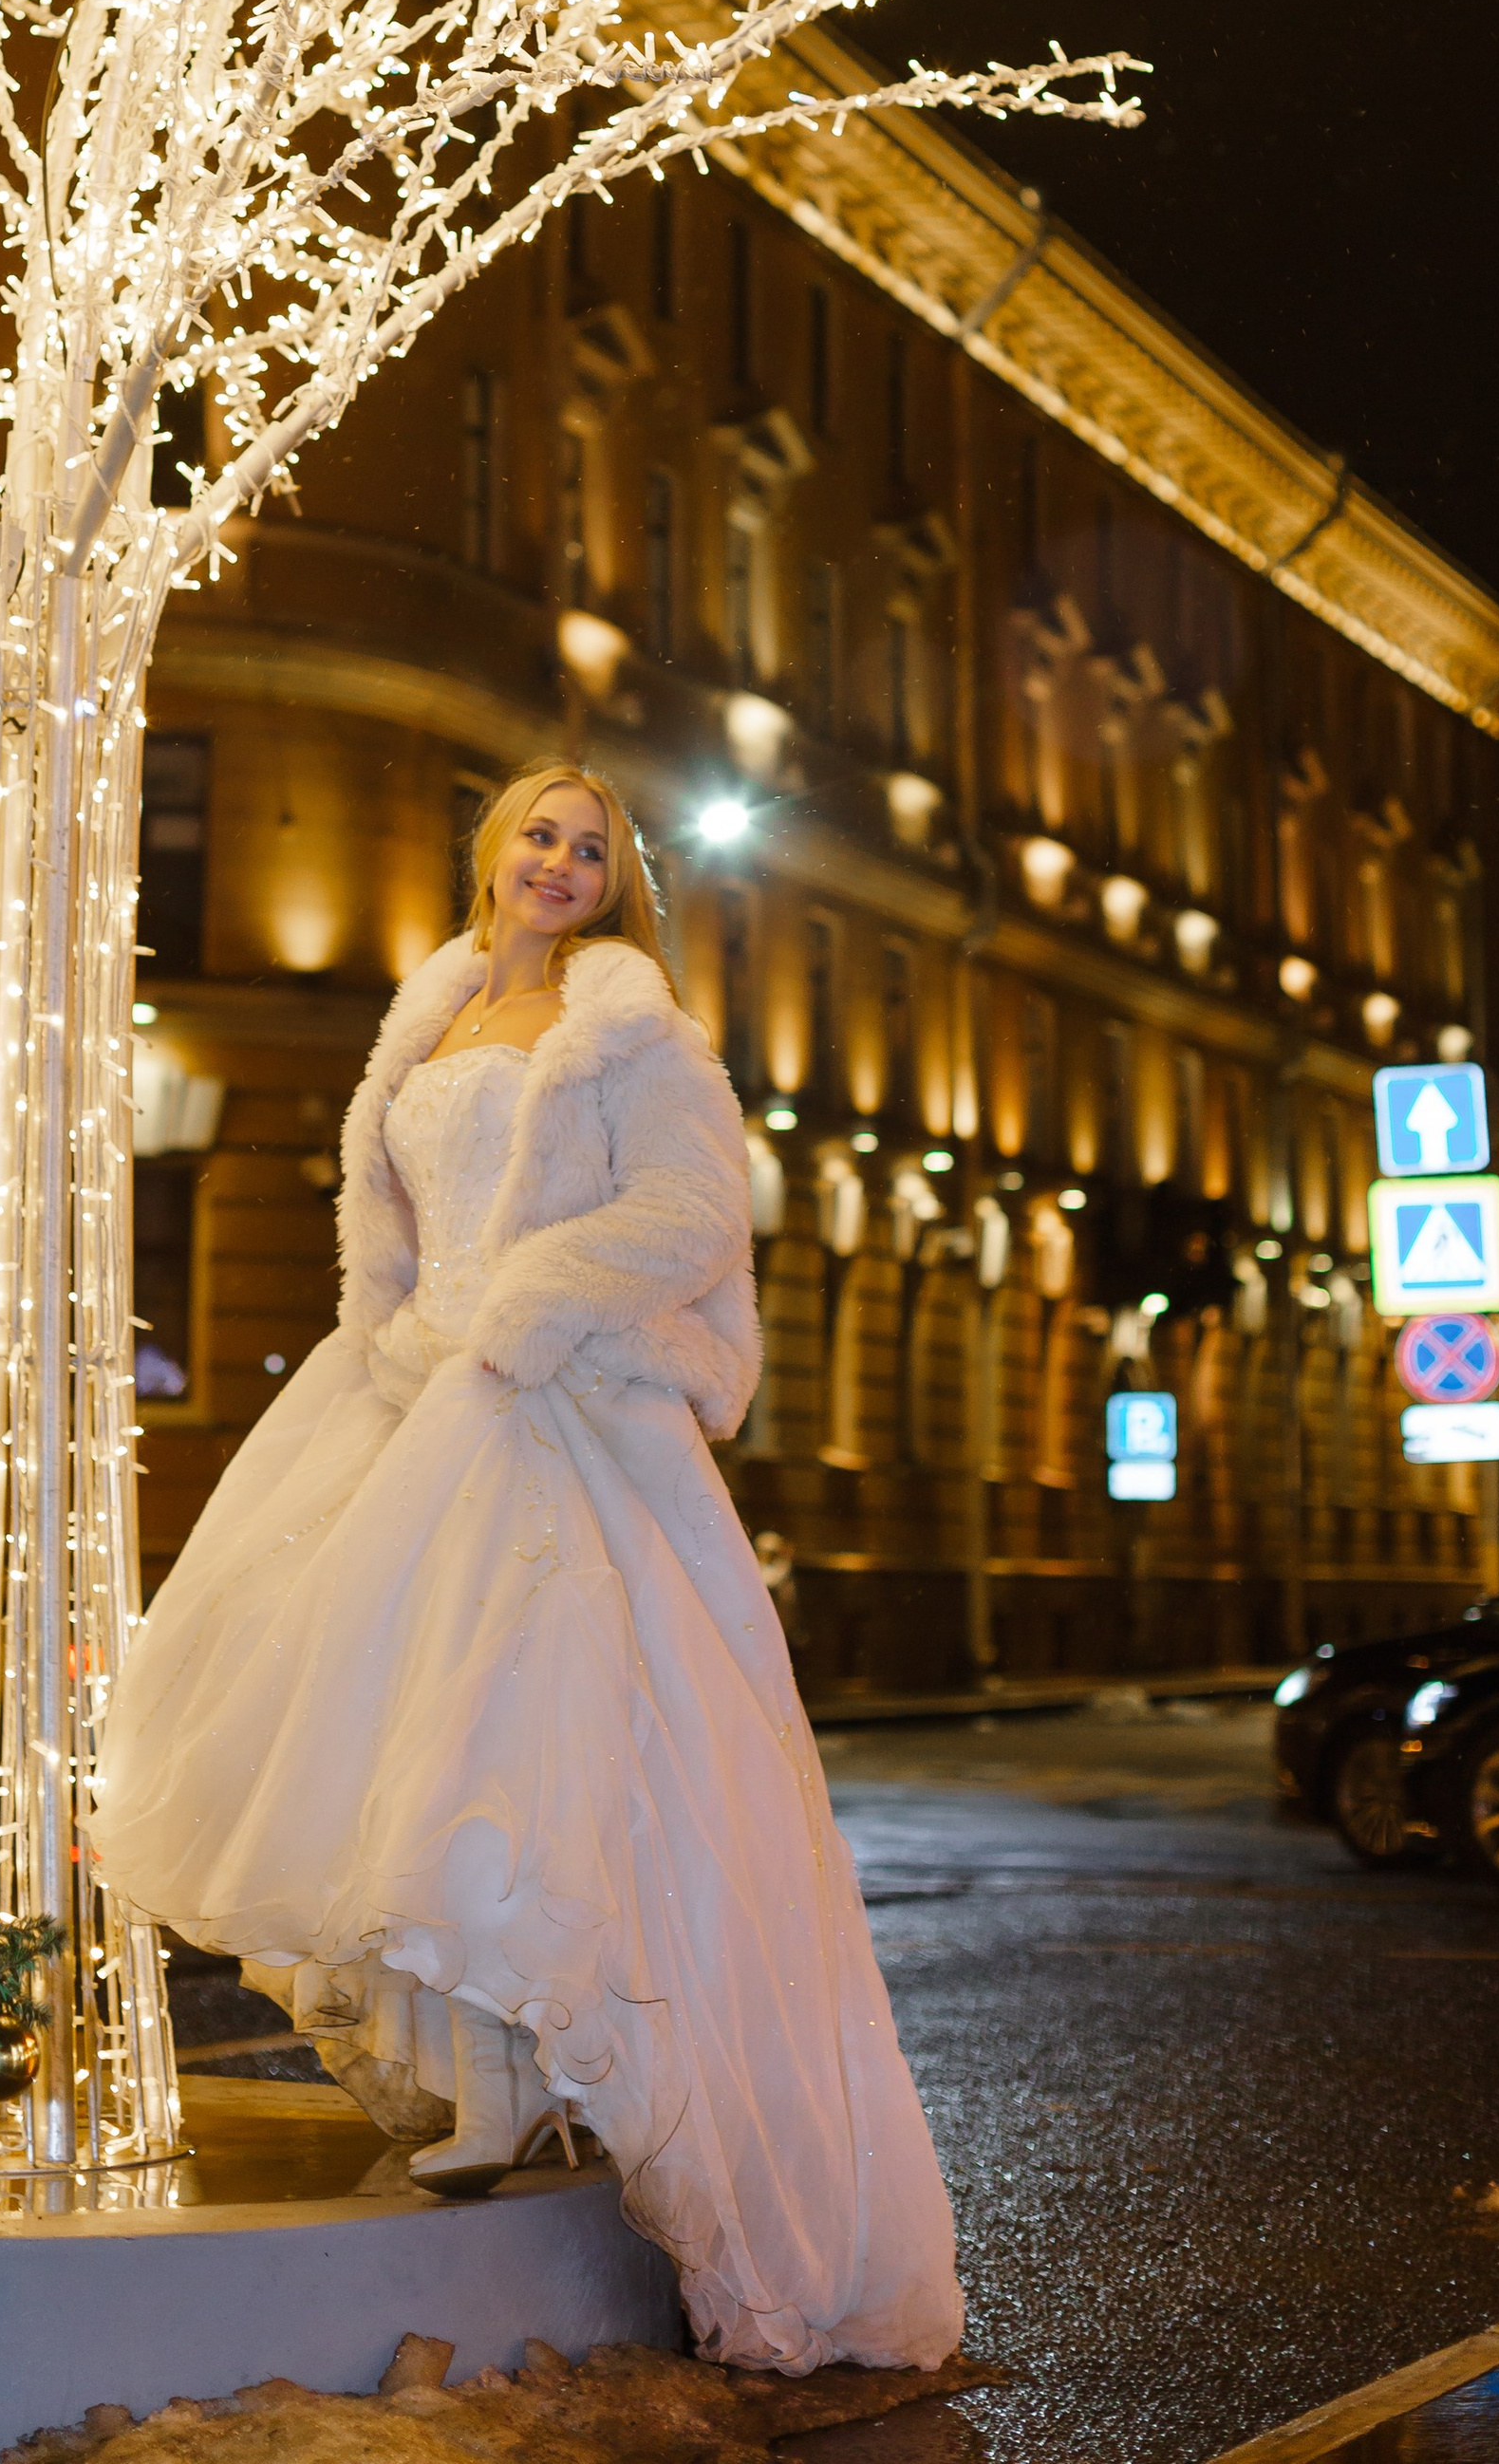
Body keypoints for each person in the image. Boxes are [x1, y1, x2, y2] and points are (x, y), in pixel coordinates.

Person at [91, 761, 962, 2374]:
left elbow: (693, 1214)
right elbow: (389, 1222)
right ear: (491, 852)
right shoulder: (427, 1018)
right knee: (377, 1730)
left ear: (617, 882)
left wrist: (533, 1302)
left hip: (553, 1403)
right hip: (404, 1394)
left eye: (593, 848)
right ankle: (472, 2067)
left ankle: (520, 2079)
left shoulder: (635, 1029)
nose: (561, 862)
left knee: (508, 1742)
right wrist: (399, 1331)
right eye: (540, 836)